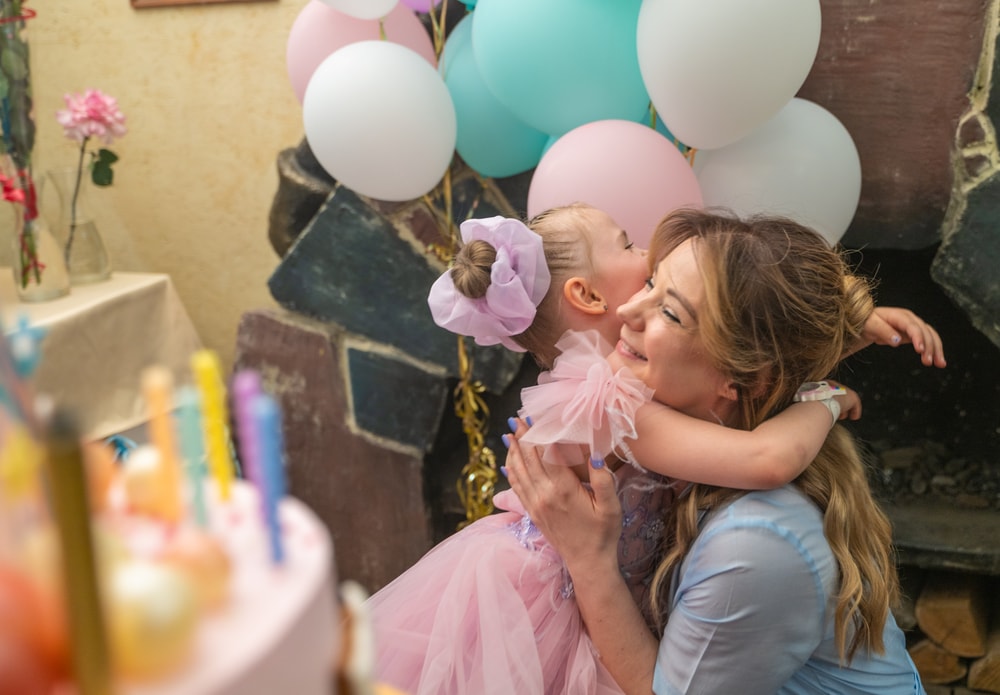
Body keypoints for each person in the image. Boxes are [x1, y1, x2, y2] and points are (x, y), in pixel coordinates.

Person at [366, 210, 938, 695]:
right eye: (634, 254)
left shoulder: (754, 536)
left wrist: (835, 332)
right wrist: (825, 396)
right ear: (587, 294)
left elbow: (746, 343)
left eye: (666, 305)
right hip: (549, 601)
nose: (638, 281)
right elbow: (763, 453)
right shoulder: (610, 398)